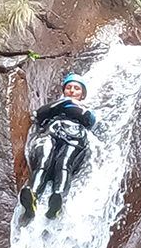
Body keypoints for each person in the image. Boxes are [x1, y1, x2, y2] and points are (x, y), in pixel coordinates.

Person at [19, 75, 97, 221]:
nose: (72, 91)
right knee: (43, 160)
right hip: (52, 130)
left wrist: (74, 108)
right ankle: (32, 194)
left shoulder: (86, 109)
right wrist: (61, 105)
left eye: (76, 88)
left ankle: (58, 198)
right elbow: (39, 115)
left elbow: (90, 120)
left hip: (75, 134)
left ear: (83, 94)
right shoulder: (57, 105)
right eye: (69, 87)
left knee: (64, 163)